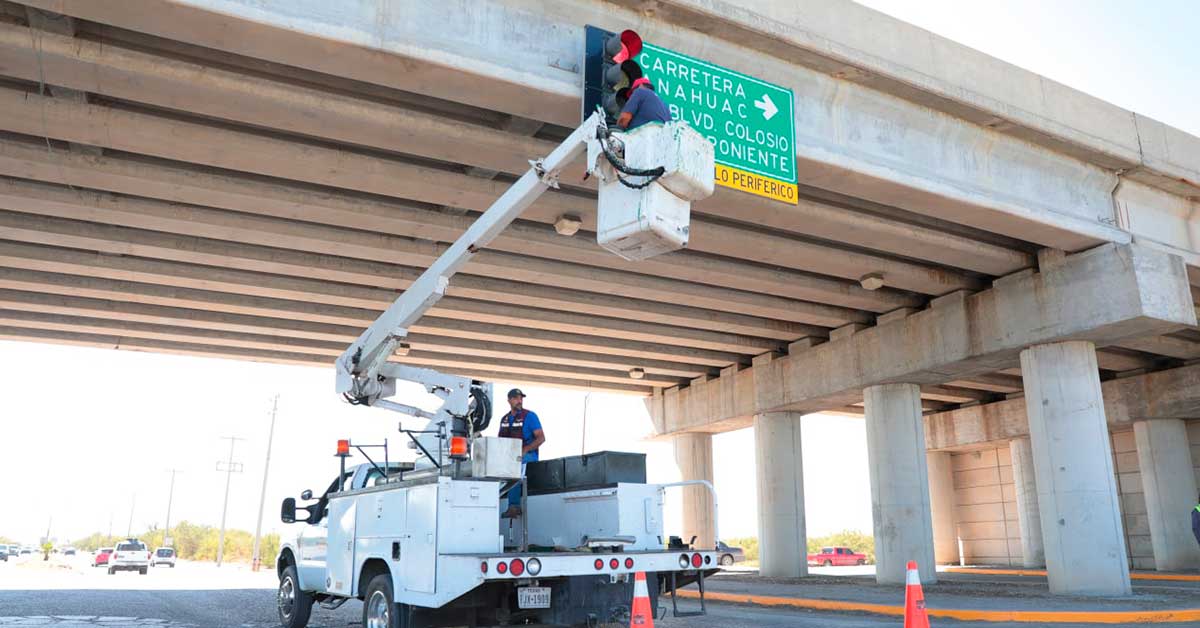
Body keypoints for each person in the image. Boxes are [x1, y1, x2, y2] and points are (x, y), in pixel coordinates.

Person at [498, 388, 545, 518]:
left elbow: (541, 438)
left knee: (515, 466)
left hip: (528, 457)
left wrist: (526, 449)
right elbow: (500, 442)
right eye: (516, 398)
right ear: (509, 400)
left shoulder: (530, 416)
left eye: (521, 398)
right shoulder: (504, 419)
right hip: (509, 457)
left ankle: (514, 506)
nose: (519, 401)